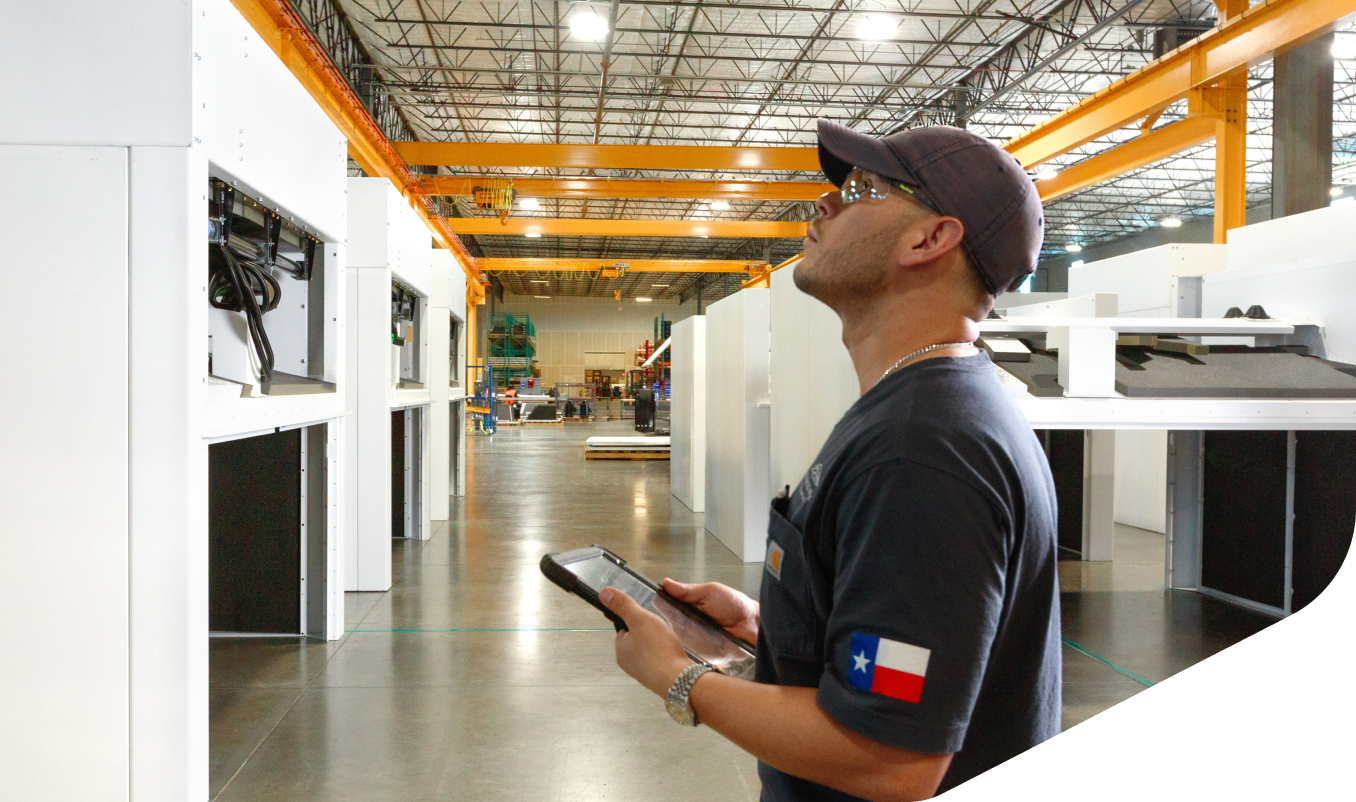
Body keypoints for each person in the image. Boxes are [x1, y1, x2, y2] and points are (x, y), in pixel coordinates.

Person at [599, 119, 1060, 801]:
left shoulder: (921, 449)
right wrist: (770, 629)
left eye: (863, 188)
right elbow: (913, 648)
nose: (826, 201)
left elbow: (891, 762)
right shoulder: (923, 408)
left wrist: (681, 676)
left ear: (930, 239)